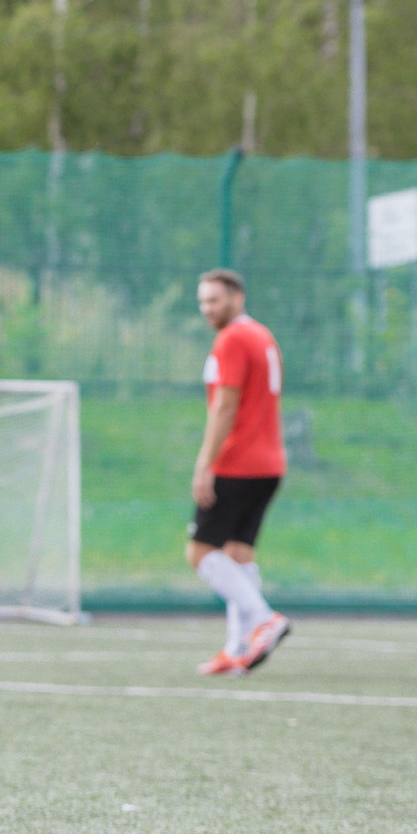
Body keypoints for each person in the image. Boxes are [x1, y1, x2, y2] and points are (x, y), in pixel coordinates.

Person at [188, 268, 291, 676]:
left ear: (237, 298)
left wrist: (205, 463)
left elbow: (225, 406)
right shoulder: (262, 335)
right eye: (202, 301)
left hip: (238, 462)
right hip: (270, 463)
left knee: (200, 552)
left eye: (214, 300)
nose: (207, 309)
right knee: (237, 554)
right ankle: (238, 649)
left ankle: (264, 619)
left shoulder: (232, 338)